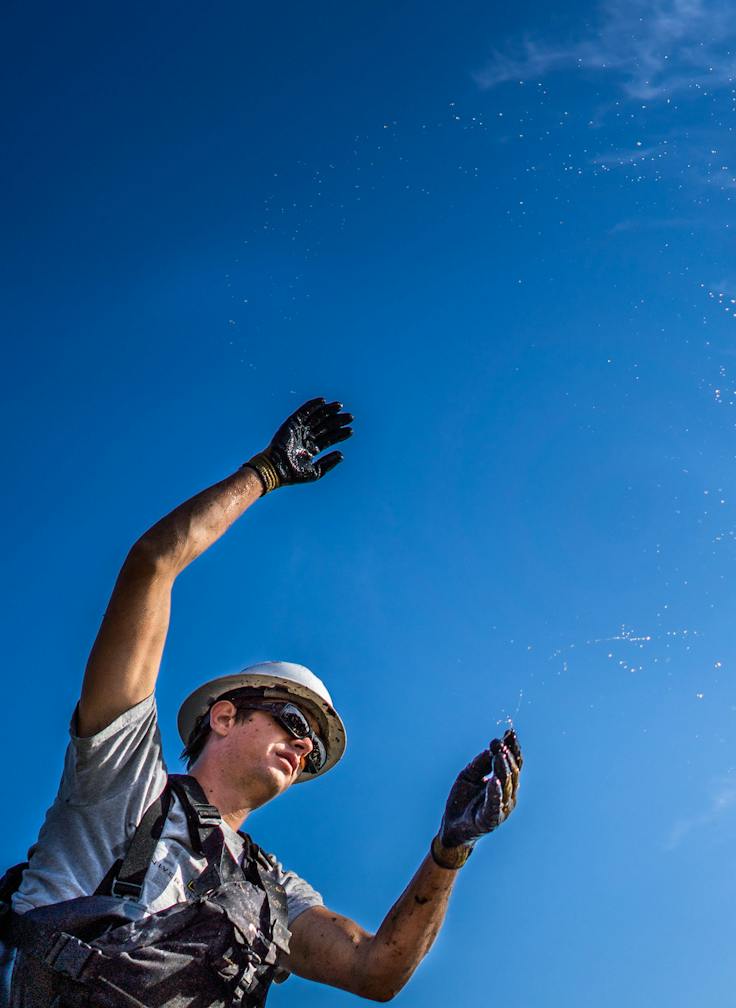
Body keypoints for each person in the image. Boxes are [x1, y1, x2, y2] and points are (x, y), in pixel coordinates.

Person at [0, 398, 523, 1007]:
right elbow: (150, 568)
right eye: (295, 722)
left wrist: (450, 849)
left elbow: (377, 970)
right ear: (224, 715)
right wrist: (267, 472)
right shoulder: (121, 782)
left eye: (314, 749)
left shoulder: (270, 889)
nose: (305, 747)